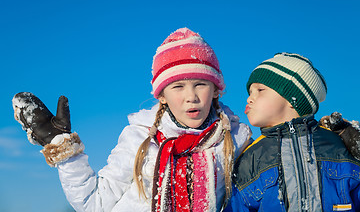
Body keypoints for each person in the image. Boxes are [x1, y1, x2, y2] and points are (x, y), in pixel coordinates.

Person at [12, 28, 252, 212]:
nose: (192, 97)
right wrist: (64, 149)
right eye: (178, 86)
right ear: (162, 96)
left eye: (200, 84)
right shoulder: (140, 137)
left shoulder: (235, 139)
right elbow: (95, 202)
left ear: (216, 89)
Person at [225, 52, 360, 212]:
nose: (249, 98)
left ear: (292, 99)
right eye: (250, 93)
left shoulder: (338, 145)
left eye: (260, 90)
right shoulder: (250, 157)